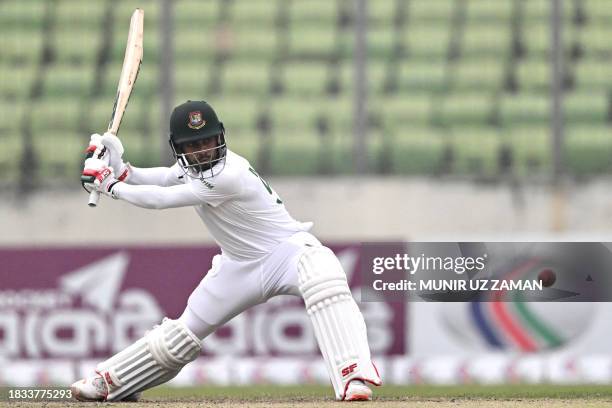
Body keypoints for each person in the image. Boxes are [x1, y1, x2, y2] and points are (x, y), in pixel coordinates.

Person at [74, 100, 381, 401]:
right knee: (177, 340)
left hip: (286, 253)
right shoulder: (190, 168)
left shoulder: (228, 173)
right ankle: (111, 382)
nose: (202, 150)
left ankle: (352, 374)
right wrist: (120, 168)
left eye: (207, 141)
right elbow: (161, 179)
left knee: (322, 271)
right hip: (237, 268)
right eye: (192, 146)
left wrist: (109, 186)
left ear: (220, 137)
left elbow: (159, 199)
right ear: (179, 149)